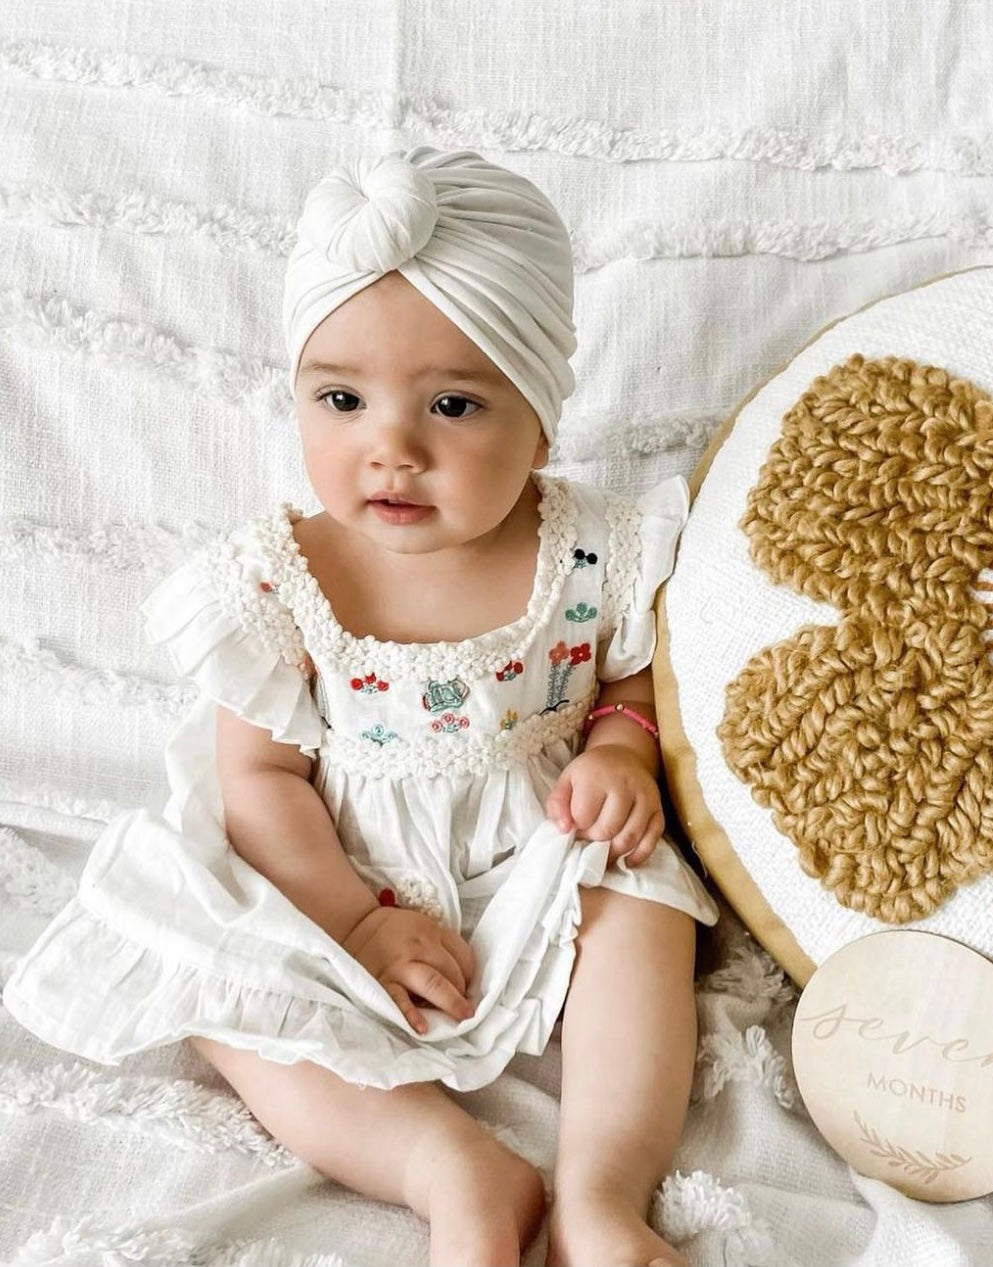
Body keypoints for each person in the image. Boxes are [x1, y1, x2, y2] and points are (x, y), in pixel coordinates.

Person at [3, 147, 717, 1267]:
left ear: (541, 420)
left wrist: (622, 753)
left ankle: (601, 1197)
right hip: (339, 868)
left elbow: (628, 678)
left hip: (541, 850)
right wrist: (355, 922)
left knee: (645, 904)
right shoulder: (277, 580)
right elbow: (258, 782)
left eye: (452, 403)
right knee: (217, 986)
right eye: (340, 398)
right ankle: (448, 1167)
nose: (390, 445)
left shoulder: (594, 546)